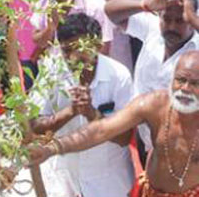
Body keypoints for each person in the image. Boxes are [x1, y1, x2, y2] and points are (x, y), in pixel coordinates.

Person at [29, 50, 199, 196]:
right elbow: (102, 130)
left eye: (195, 83)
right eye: (180, 80)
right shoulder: (154, 104)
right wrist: (52, 148)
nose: (185, 88)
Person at [29, 12, 135, 197]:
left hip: (109, 181)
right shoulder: (51, 71)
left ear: (97, 46)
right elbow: (34, 126)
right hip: (64, 179)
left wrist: (91, 113)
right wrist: (71, 111)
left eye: (78, 48)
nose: (71, 57)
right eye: (65, 50)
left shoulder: (119, 75)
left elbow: (124, 138)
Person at [105, 0, 199, 149]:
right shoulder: (152, 28)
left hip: (181, 144)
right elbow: (111, 11)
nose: (171, 26)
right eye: (166, 19)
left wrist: (193, 20)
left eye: (180, 21)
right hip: (143, 134)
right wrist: (145, 4)